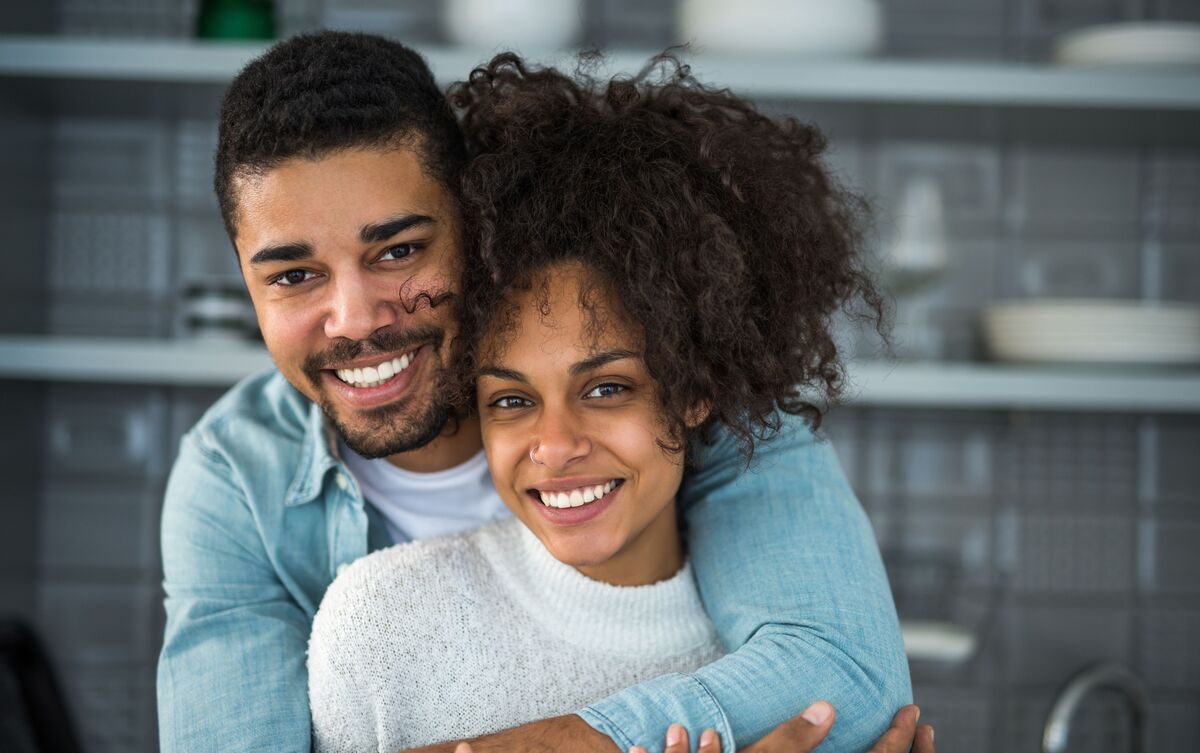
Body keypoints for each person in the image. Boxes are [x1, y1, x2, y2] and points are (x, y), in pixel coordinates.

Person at [157, 30, 911, 753]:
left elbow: (844, 681)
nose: (354, 319)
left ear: (474, 222)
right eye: (292, 275)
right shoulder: (236, 478)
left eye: (399, 250)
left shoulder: (691, 374)